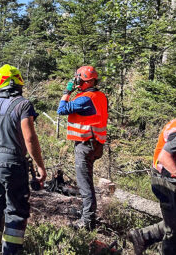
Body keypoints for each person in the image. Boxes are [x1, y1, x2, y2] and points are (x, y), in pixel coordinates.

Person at [0, 64, 46, 255]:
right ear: (19, 82)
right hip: (13, 164)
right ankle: (11, 251)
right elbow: (30, 138)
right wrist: (40, 166)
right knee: (15, 210)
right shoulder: (23, 105)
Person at [57, 65, 108, 230]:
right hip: (96, 144)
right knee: (88, 183)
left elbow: (61, 109)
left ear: (82, 80)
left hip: (86, 144)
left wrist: (67, 91)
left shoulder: (85, 99)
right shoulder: (100, 96)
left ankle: (87, 223)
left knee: (85, 185)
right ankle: (88, 216)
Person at [128, 118, 176, 255]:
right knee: (175, 234)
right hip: (166, 182)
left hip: (172, 180)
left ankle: (143, 236)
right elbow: (165, 157)